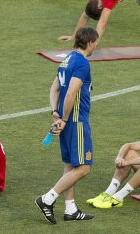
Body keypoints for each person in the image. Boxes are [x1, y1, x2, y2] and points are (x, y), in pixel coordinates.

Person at [35, 27, 99, 224]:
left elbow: (54, 89)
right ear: (89, 42)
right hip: (76, 120)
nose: (97, 45)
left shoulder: (66, 60)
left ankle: (70, 209)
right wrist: (63, 118)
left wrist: (55, 112)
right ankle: (47, 199)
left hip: (65, 120)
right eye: (95, 42)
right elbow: (71, 93)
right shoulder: (82, 63)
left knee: (71, 164)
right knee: (84, 168)